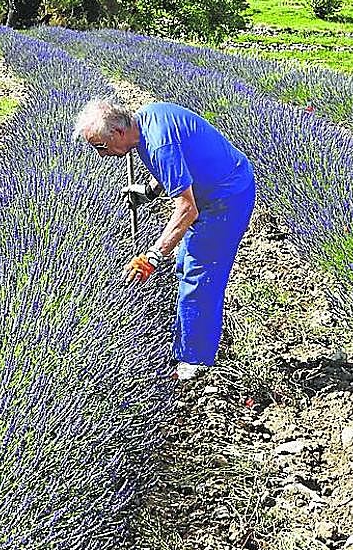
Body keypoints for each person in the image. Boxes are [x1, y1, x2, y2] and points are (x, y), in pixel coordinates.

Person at [72, 95, 256, 382]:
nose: (100, 154)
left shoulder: (158, 143)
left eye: (100, 146)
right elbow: (177, 166)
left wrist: (152, 257)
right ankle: (184, 346)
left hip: (226, 197)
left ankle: (195, 361)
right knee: (185, 266)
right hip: (212, 189)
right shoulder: (145, 121)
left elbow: (186, 207)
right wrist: (149, 191)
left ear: (118, 132)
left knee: (200, 276)